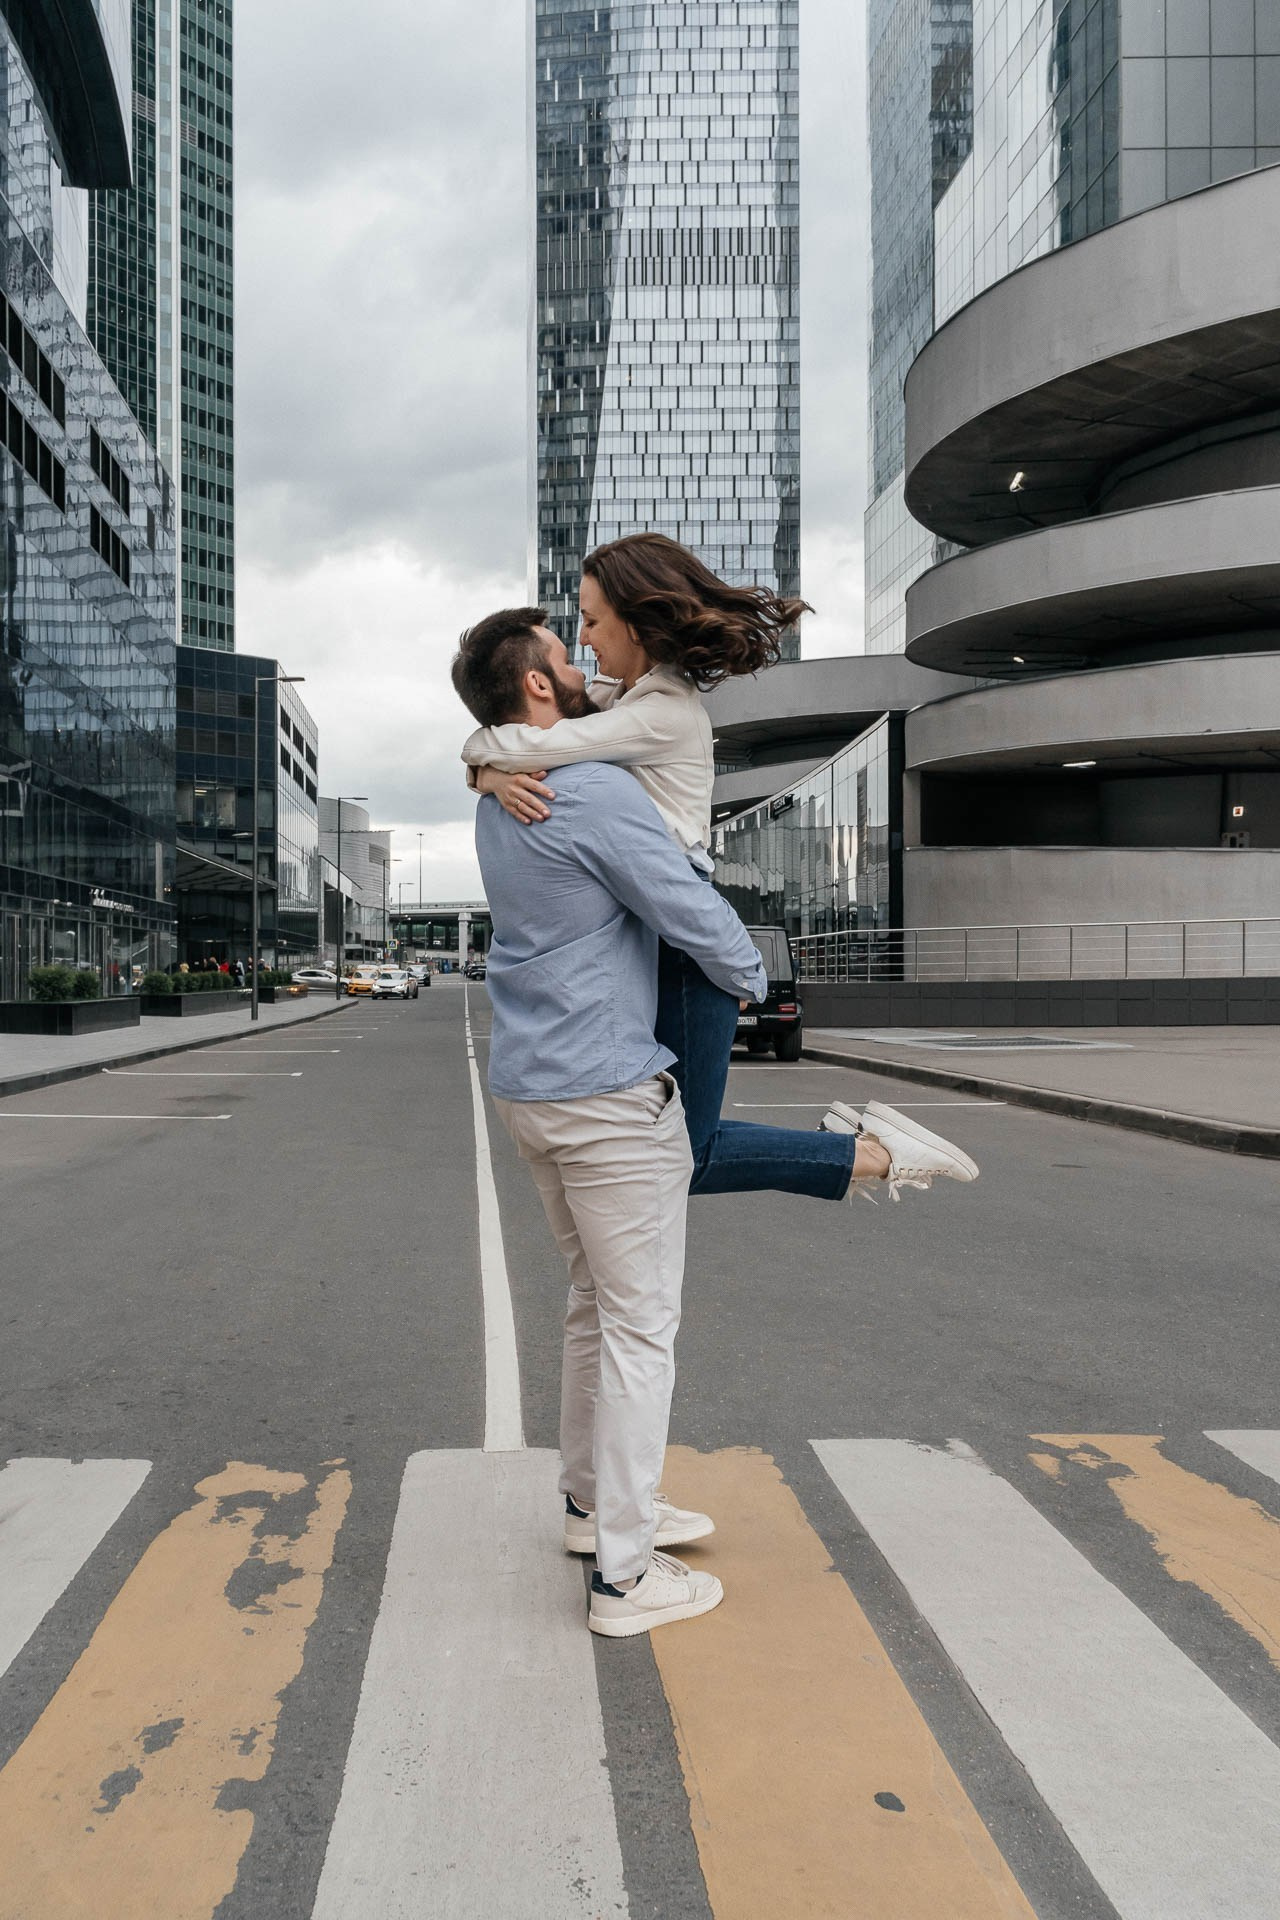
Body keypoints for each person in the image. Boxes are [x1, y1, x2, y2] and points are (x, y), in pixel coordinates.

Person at [462, 544, 980, 1203]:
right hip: (655, 932)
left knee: (686, 1155)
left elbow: (525, 742)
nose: (583, 637)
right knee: (658, 1146)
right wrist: (490, 773)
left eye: (590, 621)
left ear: (634, 620)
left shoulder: (659, 713)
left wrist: (485, 767)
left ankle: (874, 1155)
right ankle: (865, 1146)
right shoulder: (620, 698)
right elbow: (530, 730)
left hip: (683, 937)